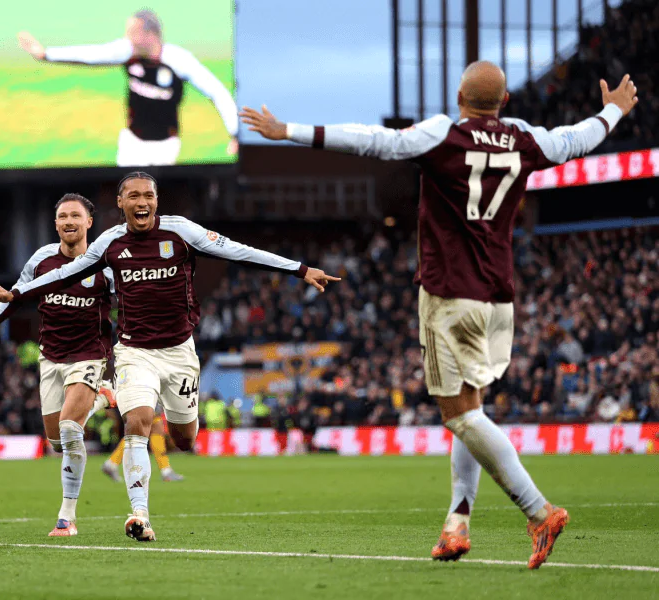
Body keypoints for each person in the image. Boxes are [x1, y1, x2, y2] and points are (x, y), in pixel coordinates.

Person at [241, 63, 638, 569]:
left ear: (458, 96)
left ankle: (539, 511)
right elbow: (577, 139)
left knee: (460, 415)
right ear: (505, 101)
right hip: (498, 298)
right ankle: (457, 523)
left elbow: (373, 141)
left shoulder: (444, 135)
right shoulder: (524, 138)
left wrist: (289, 131)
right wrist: (613, 111)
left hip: (449, 294)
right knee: (472, 410)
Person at [0, 171, 339, 541]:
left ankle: (142, 419)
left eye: (148, 195)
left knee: (185, 439)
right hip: (134, 352)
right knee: (137, 422)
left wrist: (300, 269)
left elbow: (238, 251)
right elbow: (66, 273)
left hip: (180, 353)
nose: (142, 202)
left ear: (156, 200)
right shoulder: (109, 242)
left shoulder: (180, 232)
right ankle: (140, 515)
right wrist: (16, 294)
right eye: (133, 196)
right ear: (120, 203)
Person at [0, 194, 115, 537]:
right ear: (55, 224)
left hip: (89, 353)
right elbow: (14, 298)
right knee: (56, 442)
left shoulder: (103, 263)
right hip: (51, 358)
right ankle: (102, 397)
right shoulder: (41, 259)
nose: (69, 221)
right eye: (62, 216)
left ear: (89, 222)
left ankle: (66, 517)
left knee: (70, 430)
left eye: (75, 215)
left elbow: (129, 303)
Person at [17, 8, 238, 167]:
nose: (127, 38)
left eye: (132, 33)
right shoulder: (128, 52)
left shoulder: (178, 60)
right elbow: (91, 55)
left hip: (165, 146)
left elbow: (216, 92)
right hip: (132, 142)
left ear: (150, 35)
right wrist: (46, 54)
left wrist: (235, 132)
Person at [102, 407, 185, 483]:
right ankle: (166, 470)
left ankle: (112, 463)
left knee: (154, 426)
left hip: (143, 401)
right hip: (142, 400)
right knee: (140, 431)